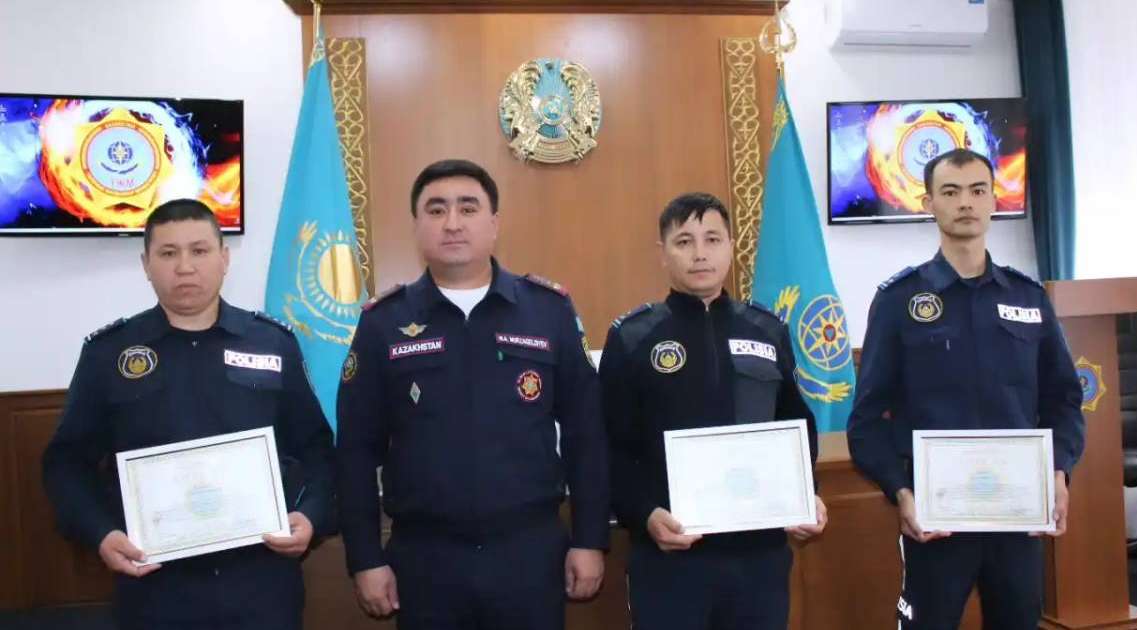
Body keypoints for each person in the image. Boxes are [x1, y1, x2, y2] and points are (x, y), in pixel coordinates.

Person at [335, 158, 609, 630]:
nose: (453, 223)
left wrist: (589, 540)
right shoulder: (383, 323)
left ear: (494, 223)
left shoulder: (548, 312)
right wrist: (364, 558)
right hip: (425, 560)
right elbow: (356, 451)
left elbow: (588, 436)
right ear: (417, 226)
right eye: (436, 210)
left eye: (468, 207)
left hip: (530, 554)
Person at [42, 198, 336, 630]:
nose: (184, 267)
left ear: (224, 258)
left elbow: (317, 450)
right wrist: (101, 534)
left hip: (260, 580)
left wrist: (310, 515)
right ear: (146, 264)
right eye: (167, 253)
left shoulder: (272, 344)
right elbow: (66, 464)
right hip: (155, 585)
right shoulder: (110, 354)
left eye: (199, 251)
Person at [847, 148, 1086, 629]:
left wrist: (1059, 469)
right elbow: (867, 420)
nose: (966, 203)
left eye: (978, 190)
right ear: (928, 203)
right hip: (936, 519)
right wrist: (901, 491)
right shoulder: (899, 300)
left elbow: (1063, 399)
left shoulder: (1028, 297)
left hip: (1015, 515)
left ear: (994, 200)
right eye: (951, 192)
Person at [600, 192, 827, 630]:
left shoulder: (767, 329)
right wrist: (644, 513)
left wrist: (805, 495)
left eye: (712, 239)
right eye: (684, 241)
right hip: (671, 556)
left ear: (730, 246)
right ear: (663, 253)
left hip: (758, 557)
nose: (700, 253)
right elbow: (610, 446)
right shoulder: (633, 337)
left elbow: (796, 426)